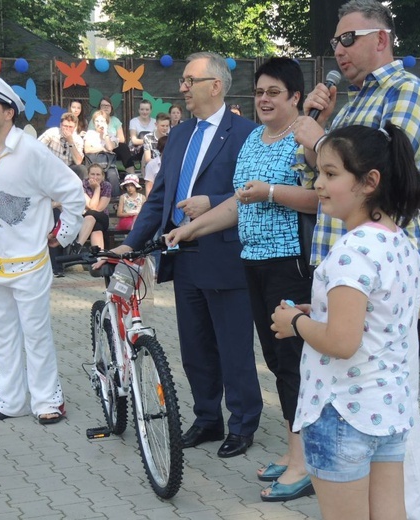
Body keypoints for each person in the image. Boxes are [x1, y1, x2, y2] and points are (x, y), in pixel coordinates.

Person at [292, 2, 420, 517]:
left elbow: (396, 169)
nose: (339, 51)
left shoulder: (407, 91)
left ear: (382, 38)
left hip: (372, 264)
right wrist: (321, 134)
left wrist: (321, 140)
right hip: (350, 263)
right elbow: (329, 168)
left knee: (388, 380)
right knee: (379, 381)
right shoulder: (351, 104)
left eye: (347, 39)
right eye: (334, 43)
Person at [166, 57, 318, 501]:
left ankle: (303, 463)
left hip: (290, 262)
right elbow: (237, 204)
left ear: (294, 97)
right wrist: (189, 229)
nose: (265, 99)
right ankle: (295, 456)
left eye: (275, 92)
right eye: (260, 92)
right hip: (251, 261)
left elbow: (321, 198)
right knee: (275, 360)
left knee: (292, 363)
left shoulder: (305, 140)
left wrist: (270, 192)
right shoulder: (253, 139)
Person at [110, 51, 262, 459]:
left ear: (215, 85)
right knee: (195, 347)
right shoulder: (178, 135)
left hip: (225, 255)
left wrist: (211, 201)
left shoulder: (247, 133)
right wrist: (132, 243)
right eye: (182, 80)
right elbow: (159, 198)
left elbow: (256, 191)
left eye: (189, 80)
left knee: (233, 348)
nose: (182, 88)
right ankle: (207, 417)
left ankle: (243, 423)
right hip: (183, 257)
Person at [271, 122, 420, 520]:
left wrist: (294, 323)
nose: (318, 183)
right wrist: (314, 313)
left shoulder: (351, 250)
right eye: (319, 172)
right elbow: (375, 318)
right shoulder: (400, 242)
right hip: (387, 407)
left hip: (341, 410)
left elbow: (342, 341)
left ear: (369, 181)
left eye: (331, 174)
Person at [0, 73, 84, 425]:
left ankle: (48, 399)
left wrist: (62, 234)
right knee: (1, 335)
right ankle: (10, 399)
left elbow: (73, 192)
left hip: (29, 263)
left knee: (35, 333)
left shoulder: (32, 151)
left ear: (8, 113)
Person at [67, 163, 112, 252]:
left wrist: (97, 188)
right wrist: (97, 189)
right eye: (92, 174)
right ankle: (99, 257)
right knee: (94, 223)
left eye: (98, 174)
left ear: (102, 176)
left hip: (102, 217)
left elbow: (98, 209)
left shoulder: (107, 186)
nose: (95, 177)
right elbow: (92, 206)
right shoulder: (82, 185)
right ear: (88, 175)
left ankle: (77, 246)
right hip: (86, 220)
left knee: (91, 214)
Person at [89, 97, 134, 174]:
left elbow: (121, 139)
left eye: (108, 105)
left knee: (123, 147)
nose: (106, 107)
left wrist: (112, 141)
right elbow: (90, 136)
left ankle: (132, 175)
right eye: (103, 105)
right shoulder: (94, 120)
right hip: (98, 145)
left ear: (111, 108)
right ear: (99, 107)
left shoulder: (115, 120)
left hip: (113, 145)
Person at [37, 112, 87, 178]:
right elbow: (36, 147)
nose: (67, 129)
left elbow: (78, 161)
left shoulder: (78, 140)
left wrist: (70, 142)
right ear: (60, 125)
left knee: (82, 169)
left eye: (70, 127)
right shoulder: (52, 132)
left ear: (75, 128)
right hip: (50, 166)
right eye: (65, 126)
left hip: (68, 169)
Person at [128, 100, 156, 167]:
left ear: (150, 110)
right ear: (139, 110)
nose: (144, 112)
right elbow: (134, 140)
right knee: (146, 147)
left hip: (152, 149)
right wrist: (147, 142)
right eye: (142, 109)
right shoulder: (133, 121)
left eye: (147, 109)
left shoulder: (154, 122)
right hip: (136, 149)